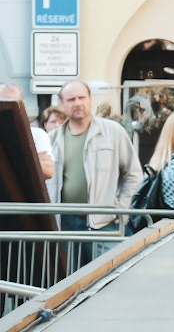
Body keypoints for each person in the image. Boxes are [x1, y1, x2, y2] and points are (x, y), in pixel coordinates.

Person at [49, 81, 144, 234]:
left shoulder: (113, 132)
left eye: (82, 97)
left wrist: (122, 209)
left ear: (90, 99)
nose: (77, 103)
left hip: (106, 224)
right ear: (61, 103)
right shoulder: (52, 139)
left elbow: (133, 173)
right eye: (71, 99)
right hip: (65, 224)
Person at [0, 83, 56, 183]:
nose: (11, 107)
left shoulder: (37, 135)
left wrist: (4, 160)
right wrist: (32, 159)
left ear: (23, 104)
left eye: (16, 102)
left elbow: (48, 171)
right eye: (4, 102)